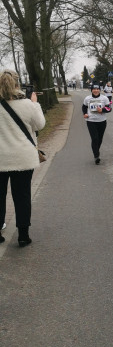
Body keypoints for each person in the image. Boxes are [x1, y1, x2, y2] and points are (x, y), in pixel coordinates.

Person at [0, 70, 46, 246]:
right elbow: (40, 124)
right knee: (22, 196)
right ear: (18, 84)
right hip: (22, 158)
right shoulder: (27, 104)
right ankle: (23, 235)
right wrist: (35, 104)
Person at [82, 84, 110, 165]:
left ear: (100, 90)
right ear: (91, 90)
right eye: (94, 89)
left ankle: (96, 150)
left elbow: (109, 108)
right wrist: (85, 113)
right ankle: (96, 156)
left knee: (99, 139)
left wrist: (103, 110)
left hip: (102, 121)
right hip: (91, 121)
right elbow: (84, 107)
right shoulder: (87, 98)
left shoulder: (104, 98)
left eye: (97, 89)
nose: (96, 90)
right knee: (94, 138)